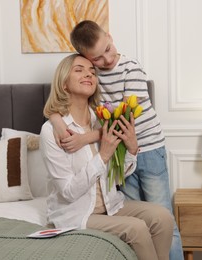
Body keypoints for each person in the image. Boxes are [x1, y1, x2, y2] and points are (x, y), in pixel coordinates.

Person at [49, 20, 184, 260]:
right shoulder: (92, 77)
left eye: (108, 50)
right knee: (131, 221)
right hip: (121, 153)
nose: (107, 61)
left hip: (149, 149)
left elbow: (124, 120)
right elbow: (54, 106)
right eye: (97, 59)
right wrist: (57, 121)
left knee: (165, 218)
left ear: (110, 37)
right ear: (86, 58)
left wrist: (85, 139)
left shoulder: (130, 67)